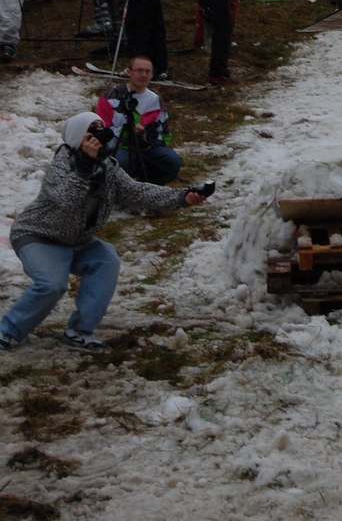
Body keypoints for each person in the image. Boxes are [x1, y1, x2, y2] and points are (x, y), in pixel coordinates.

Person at [0, 112, 206, 354]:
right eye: (93, 130)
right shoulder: (63, 162)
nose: (100, 134)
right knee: (52, 284)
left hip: (77, 239)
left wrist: (182, 197)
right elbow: (67, 200)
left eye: (102, 127)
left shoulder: (107, 166)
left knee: (106, 260)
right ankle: (8, 331)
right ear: (79, 137)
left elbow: (137, 192)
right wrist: (84, 167)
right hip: (39, 236)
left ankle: (79, 331)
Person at [96, 56, 182, 184]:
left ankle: (148, 190)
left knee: (172, 161)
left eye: (148, 72)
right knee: (121, 162)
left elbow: (165, 134)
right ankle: (120, 193)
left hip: (147, 150)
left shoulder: (156, 101)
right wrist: (127, 132)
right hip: (119, 149)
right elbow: (101, 130)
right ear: (129, 72)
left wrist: (146, 137)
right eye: (139, 70)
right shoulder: (111, 97)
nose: (143, 75)